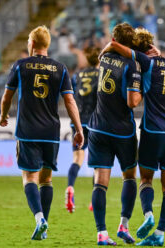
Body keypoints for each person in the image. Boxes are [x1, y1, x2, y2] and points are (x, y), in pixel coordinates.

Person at [102, 27, 165, 246]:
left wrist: (109, 46)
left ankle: (148, 214)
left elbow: (119, 48)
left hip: (154, 130)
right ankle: (159, 234)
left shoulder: (145, 62)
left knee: (146, 179)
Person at [0, 25, 84, 241]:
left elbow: (7, 96)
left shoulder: (21, 66)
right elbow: (70, 101)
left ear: (33, 44)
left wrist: (3, 115)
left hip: (28, 131)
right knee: (46, 180)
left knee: (29, 177)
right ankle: (44, 225)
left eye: (28, 41)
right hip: (50, 132)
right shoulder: (60, 68)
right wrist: (79, 128)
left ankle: (39, 219)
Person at [87, 23, 142, 245]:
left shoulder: (103, 59)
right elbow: (132, 101)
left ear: (114, 39)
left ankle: (101, 233)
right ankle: (124, 225)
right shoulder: (132, 65)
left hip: (98, 128)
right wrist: (141, 93)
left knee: (100, 182)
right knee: (129, 177)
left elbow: (109, 49)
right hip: (122, 131)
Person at [65, 46, 100, 213]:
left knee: (77, 159)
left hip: (77, 122)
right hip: (95, 122)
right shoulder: (101, 75)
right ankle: (94, 200)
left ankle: (70, 187)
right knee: (97, 162)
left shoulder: (77, 75)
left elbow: (70, 97)